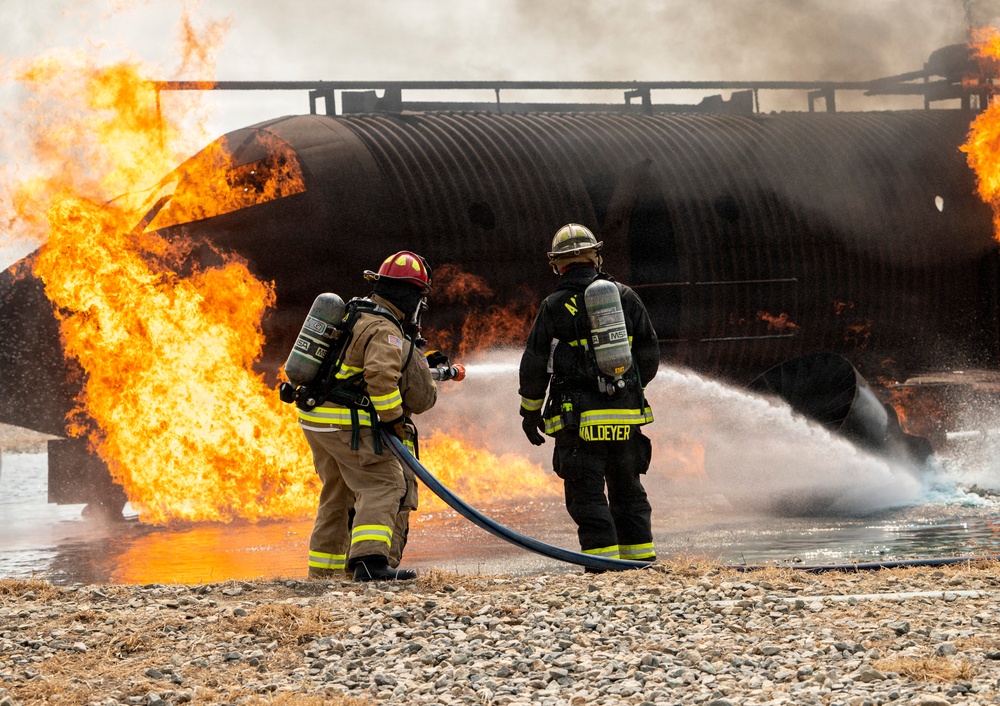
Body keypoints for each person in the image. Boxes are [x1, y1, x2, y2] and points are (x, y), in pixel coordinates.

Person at [518, 223, 660, 567]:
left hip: (577, 421)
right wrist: (627, 390)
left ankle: (603, 566)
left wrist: (530, 412)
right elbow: (649, 354)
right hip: (625, 417)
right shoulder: (625, 297)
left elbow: (535, 365)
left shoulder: (553, 306)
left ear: (558, 264)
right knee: (629, 490)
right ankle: (640, 563)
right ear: (596, 256)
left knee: (586, 495)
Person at [297, 250, 438, 582]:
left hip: (317, 419)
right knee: (385, 482)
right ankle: (370, 563)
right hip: (348, 423)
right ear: (411, 294)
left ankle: (325, 574)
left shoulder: (355, 313)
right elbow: (380, 377)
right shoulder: (384, 328)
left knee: (339, 492)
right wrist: (392, 420)